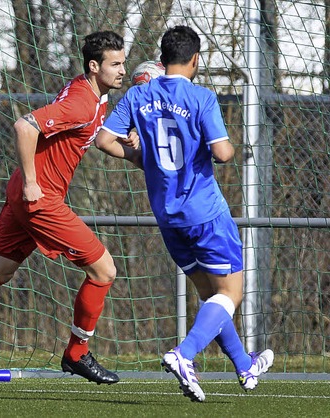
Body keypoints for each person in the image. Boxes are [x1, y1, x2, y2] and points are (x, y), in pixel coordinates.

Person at [0, 30, 132, 392]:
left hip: (24, 192)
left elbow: (91, 135)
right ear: (94, 67)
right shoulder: (81, 101)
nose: (122, 70)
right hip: (39, 197)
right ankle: (77, 353)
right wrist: (33, 182)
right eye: (115, 64)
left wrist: (128, 143)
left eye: (124, 62)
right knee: (104, 270)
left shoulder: (91, 95)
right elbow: (24, 125)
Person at [94, 25, 273, 402]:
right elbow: (223, 153)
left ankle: (244, 364)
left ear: (161, 59)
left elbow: (104, 140)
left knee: (212, 297)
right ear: (195, 60)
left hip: (167, 216)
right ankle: (184, 354)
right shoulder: (202, 97)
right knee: (232, 293)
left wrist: (141, 158)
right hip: (205, 213)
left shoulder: (137, 95)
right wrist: (218, 146)